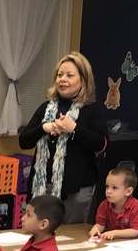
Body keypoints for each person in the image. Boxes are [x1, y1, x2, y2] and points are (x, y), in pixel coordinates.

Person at [19, 52, 108, 222]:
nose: (62, 79)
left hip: (78, 189)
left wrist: (73, 128)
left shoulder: (91, 109)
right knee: (41, 236)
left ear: (82, 80)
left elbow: (101, 144)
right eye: (60, 75)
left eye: (69, 75)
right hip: (44, 186)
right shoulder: (46, 107)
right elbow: (24, 141)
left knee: (70, 240)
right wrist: (44, 128)